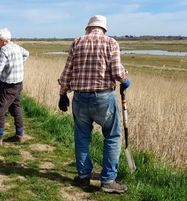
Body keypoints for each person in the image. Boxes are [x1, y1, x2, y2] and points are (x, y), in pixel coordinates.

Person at [57, 15, 131, 194]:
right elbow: (117, 71)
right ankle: (108, 180)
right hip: (103, 98)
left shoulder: (77, 42)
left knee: (82, 138)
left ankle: (83, 177)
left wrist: (62, 94)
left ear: (88, 28)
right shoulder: (111, 43)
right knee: (112, 137)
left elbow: (67, 72)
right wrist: (125, 80)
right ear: (104, 29)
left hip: (80, 98)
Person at [0, 28, 29, 147]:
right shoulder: (17, 47)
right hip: (18, 84)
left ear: (2, 40)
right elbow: (26, 54)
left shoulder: (4, 50)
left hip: (8, 85)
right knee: (16, 108)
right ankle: (19, 135)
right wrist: (17, 64)